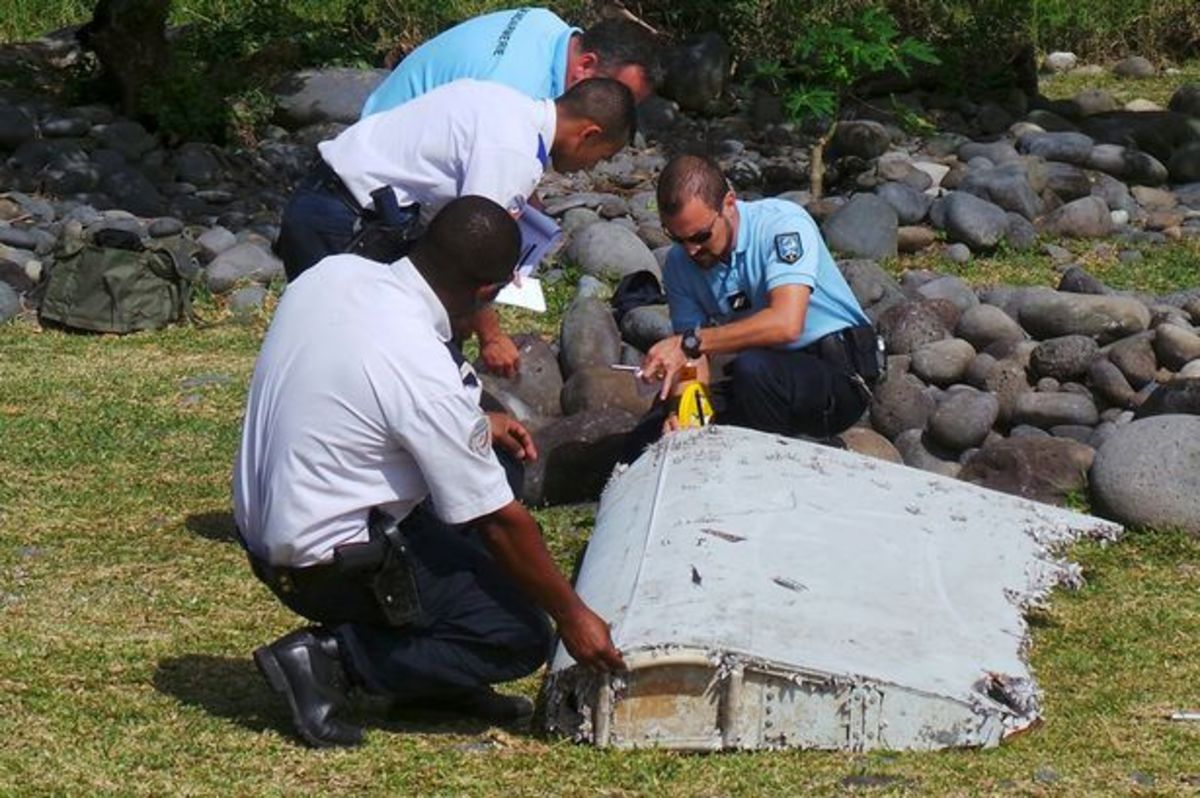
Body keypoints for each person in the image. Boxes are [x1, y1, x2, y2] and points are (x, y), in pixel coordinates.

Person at [235, 196, 625, 749]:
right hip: (324, 564)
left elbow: (363, 393)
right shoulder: (417, 362)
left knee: (500, 468)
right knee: (514, 634)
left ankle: (435, 679)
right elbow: (500, 523)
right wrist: (573, 615)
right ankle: (331, 660)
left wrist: (479, 423)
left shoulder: (334, 273)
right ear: (486, 292)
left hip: (266, 529)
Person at [276, 76, 636, 377]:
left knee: (331, 344)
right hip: (346, 220)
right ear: (589, 133)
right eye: (601, 156)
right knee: (348, 356)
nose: (590, 168)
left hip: (324, 196)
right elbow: (473, 252)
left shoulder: (503, 100)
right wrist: (492, 336)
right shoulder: (514, 153)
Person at [637, 154, 877, 442]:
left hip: (837, 374)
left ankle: (788, 459)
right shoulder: (680, 265)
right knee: (655, 428)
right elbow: (692, 362)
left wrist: (690, 342)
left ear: (729, 204)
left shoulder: (782, 225)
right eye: (677, 238)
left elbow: (786, 324)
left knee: (753, 370)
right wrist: (685, 414)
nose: (690, 250)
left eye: (701, 236)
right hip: (766, 373)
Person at [361, 9, 661, 117]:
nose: (619, 115)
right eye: (620, 99)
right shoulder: (517, 93)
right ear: (585, 64)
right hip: (377, 172)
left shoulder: (546, 24)